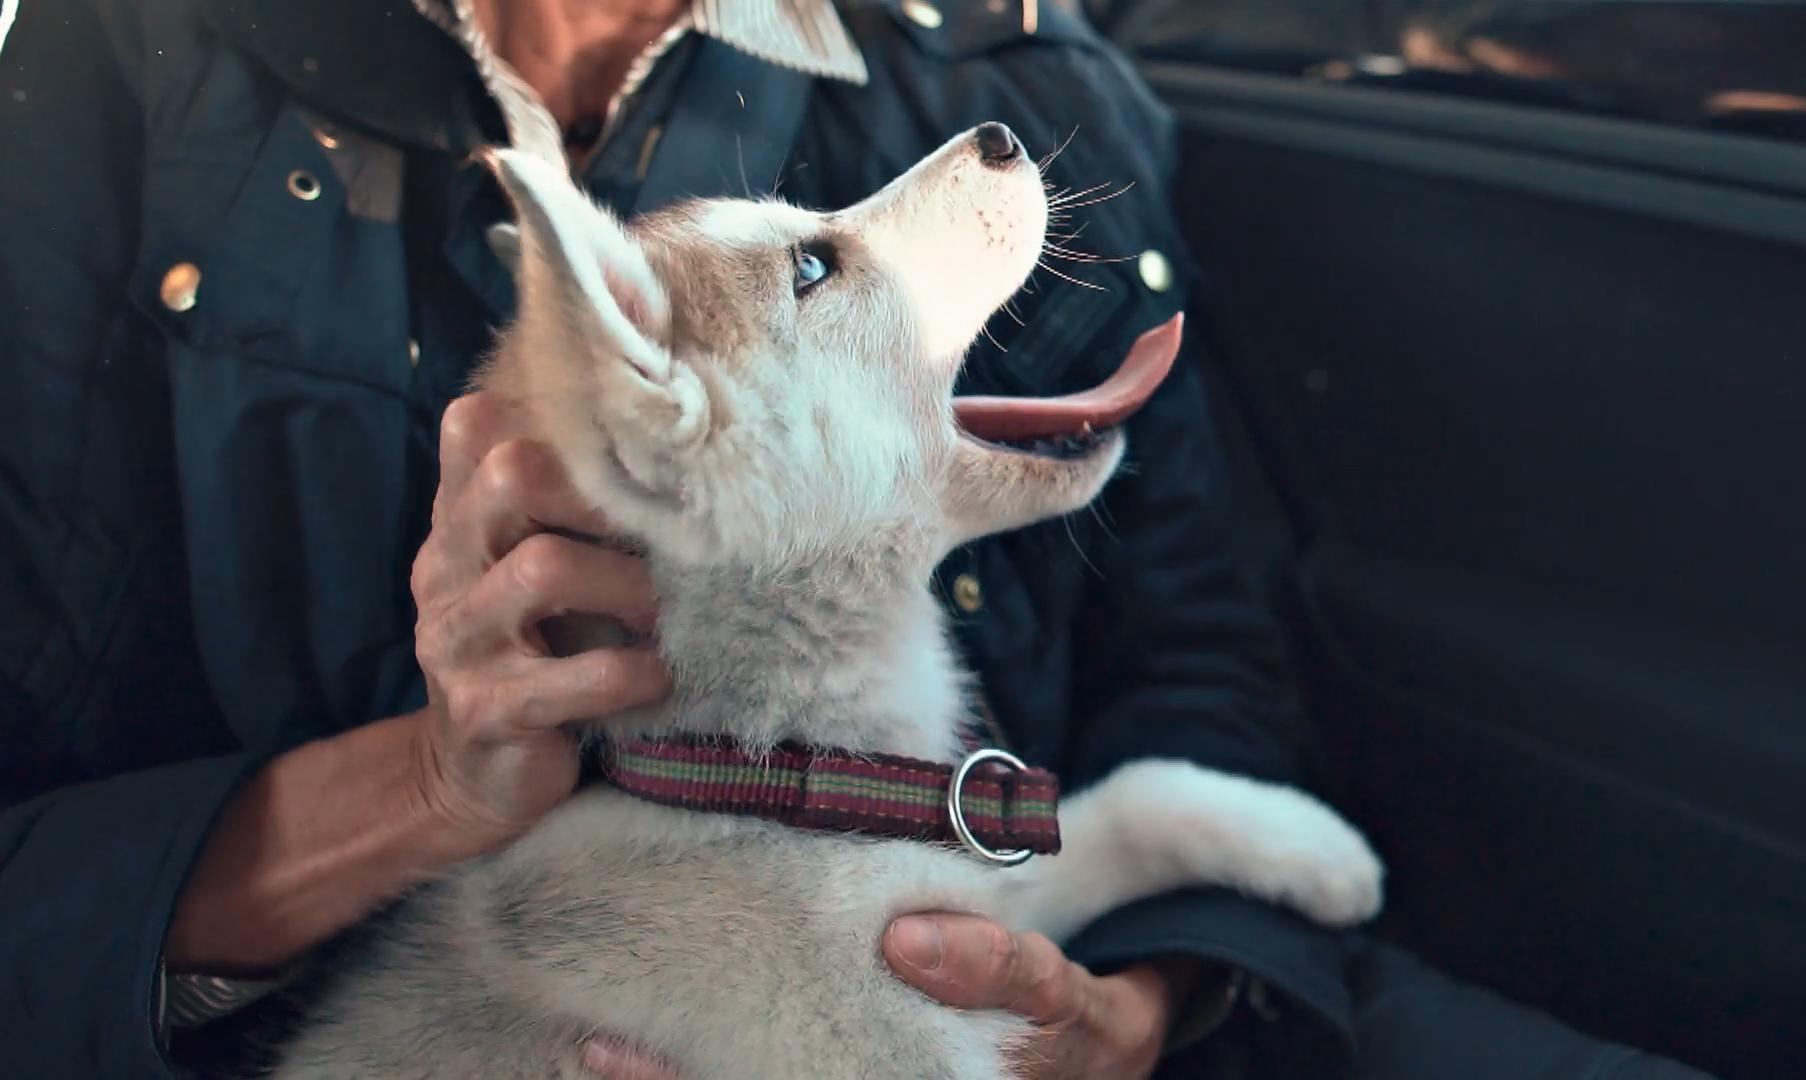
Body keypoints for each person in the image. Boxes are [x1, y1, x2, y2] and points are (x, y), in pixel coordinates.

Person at [0, 0, 1712, 1077]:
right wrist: (438, 786)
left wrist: (1133, 1016)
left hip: (1058, 968)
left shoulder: (1015, 68)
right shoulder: (129, 69)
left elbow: (1211, 654)